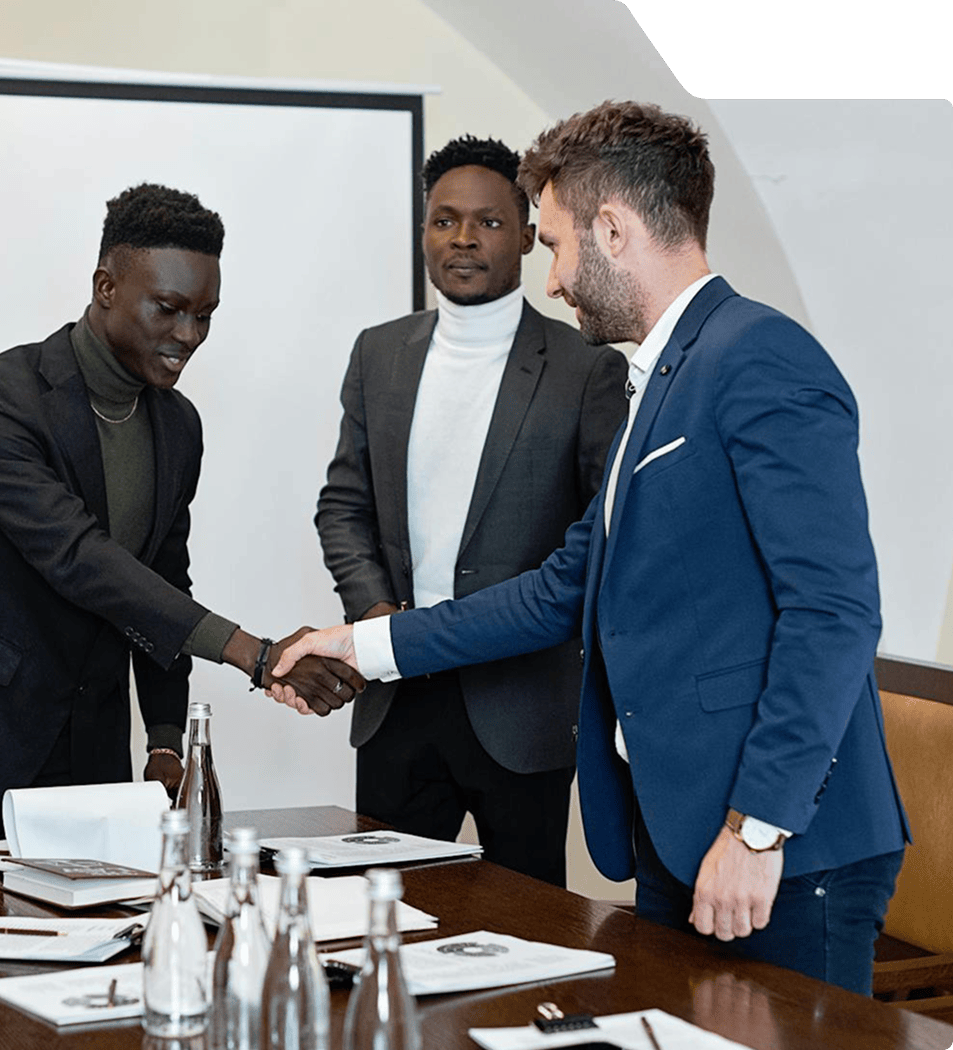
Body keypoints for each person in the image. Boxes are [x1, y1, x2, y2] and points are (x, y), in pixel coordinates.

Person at [273, 101, 909, 994]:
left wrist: (758, 828)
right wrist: (362, 645)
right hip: (679, 832)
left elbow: (833, 611)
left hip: (782, 849)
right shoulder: (660, 375)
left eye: (558, 246)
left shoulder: (760, 356)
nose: (555, 279)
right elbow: (560, 588)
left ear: (613, 230)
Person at [0, 183, 363, 832]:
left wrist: (163, 739)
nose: (189, 335)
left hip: (92, 756)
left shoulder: (178, 425)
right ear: (106, 287)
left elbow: (161, 583)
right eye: (169, 309)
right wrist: (254, 654)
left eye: (205, 315)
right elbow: (79, 558)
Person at [315, 135, 627, 885]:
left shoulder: (587, 366)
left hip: (521, 706)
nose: (462, 238)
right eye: (444, 220)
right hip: (396, 699)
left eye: (488, 222)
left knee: (527, 921)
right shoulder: (378, 353)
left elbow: (603, 536)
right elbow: (343, 505)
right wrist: (378, 617)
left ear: (526, 236)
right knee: (375, 914)